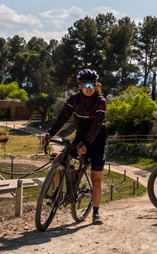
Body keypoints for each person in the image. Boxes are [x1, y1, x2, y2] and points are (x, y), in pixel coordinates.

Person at [42, 69, 108, 225]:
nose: (89, 88)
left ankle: (96, 213)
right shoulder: (73, 99)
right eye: (85, 85)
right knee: (57, 161)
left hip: (98, 140)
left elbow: (97, 125)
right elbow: (62, 117)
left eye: (92, 84)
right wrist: (50, 133)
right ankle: (56, 194)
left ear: (96, 85)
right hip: (80, 137)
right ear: (80, 86)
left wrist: (85, 143)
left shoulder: (100, 101)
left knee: (96, 179)